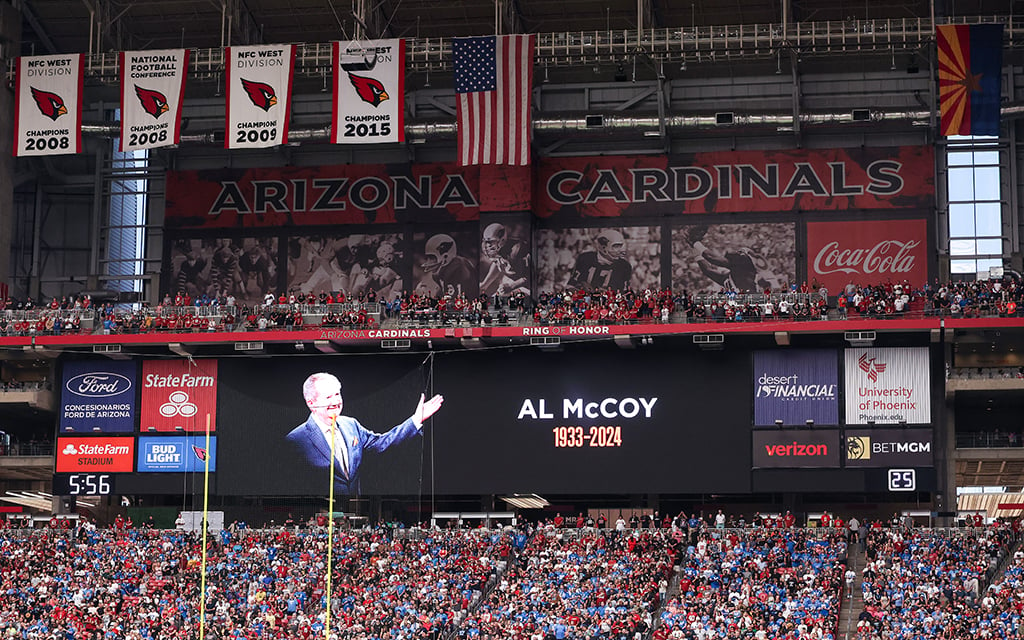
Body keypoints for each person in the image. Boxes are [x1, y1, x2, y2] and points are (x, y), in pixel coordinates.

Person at [285, 372, 444, 495]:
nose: (335, 401)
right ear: (311, 403)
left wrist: (416, 419)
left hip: (353, 508)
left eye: (337, 394)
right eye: (328, 397)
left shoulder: (350, 425)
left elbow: (382, 444)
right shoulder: (295, 440)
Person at [567, 228, 632, 290]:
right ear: (603, 248)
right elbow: (571, 285)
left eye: (620, 246)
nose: (619, 250)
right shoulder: (585, 259)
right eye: (616, 246)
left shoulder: (624, 266)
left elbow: (624, 292)